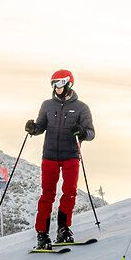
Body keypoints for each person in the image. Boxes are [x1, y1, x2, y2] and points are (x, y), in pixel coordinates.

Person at [24, 69, 95, 250]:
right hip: (49, 156)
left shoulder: (81, 107)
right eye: (53, 83)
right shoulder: (47, 105)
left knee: (69, 193)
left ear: (69, 83)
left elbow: (91, 133)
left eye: (60, 83)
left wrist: (82, 132)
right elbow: (41, 126)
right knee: (47, 194)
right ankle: (42, 234)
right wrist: (33, 128)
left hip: (71, 155)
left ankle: (63, 229)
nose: (56, 87)